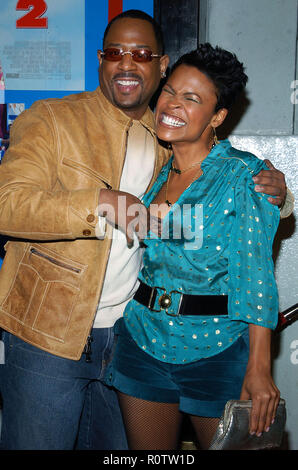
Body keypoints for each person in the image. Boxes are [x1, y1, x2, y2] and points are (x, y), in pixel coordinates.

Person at [0, 10, 291, 450]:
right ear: (101, 59)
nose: (127, 64)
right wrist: (98, 201)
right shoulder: (53, 120)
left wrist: (277, 197)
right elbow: (7, 206)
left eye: (141, 54)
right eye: (115, 52)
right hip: (55, 334)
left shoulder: (178, 146)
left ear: (159, 63)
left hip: (139, 337)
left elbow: (235, 251)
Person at [104, 43, 283, 451]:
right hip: (142, 342)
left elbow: (254, 274)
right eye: (169, 91)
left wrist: (258, 366)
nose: (172, 104)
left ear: (217, 116)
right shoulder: (157, 170)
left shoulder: (242, 176)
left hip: (216, 350)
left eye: (192, 98)